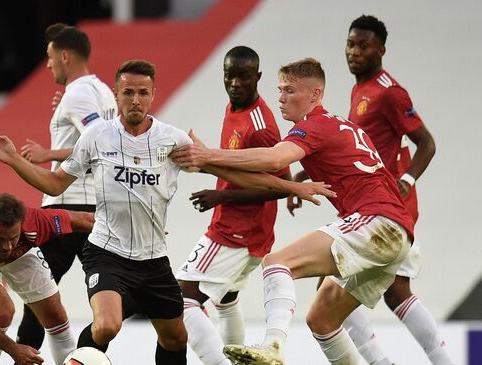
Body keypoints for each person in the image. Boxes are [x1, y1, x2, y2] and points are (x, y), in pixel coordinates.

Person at [0, 59, 333, 364]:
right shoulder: (96, 136)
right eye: (128, 92)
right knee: (107, 325)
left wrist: (293, 187)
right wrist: (14, 158)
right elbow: (55, 184)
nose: (135, 100)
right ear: (117, 95)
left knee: (176, 338)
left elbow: (229, 173)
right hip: (107, 253)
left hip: (153, 260)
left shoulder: (172, 140)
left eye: (142, 92)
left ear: (152, 95)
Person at [171, 57, 415, 365]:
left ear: (315, 95)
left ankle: (273, 344)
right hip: (396, 233)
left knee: (276, 263)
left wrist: (209, 153)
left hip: (374, 221)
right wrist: (207, 163)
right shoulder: (340, 125)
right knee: (322, 320)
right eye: (279, 90)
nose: (281, 98)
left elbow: (274, 160)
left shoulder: (314, 126)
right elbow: (276, 176)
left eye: (290, 91)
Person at [288, 15, 453, 365]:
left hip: (389, 207)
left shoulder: (388, 92)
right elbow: (357, 151)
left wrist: (406, 181)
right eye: (351, 44)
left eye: (364, 45)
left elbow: (426, 143)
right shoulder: (360, 88)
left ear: (381, 49)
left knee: (377, 292)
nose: (355, 51)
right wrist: (303, 173)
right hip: (371, 207)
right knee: (372, 292)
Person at [176, 46, 291, 365]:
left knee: (182, 299)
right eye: (229, 76)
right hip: (248, 232)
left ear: (258, 77)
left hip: (236, 231)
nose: (235, 83)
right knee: (226, 298)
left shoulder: (261, 124)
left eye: (243, 77)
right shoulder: (234, 107)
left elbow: (279, 184)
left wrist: (221, 196)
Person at [14, 23, 118, 354]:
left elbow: (101, 141)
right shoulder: (103, 91)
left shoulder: (78, 94)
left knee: (37, 296)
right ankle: (89, 359)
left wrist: (48, 154)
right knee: (106, 299)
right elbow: (104, 137)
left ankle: (24, 357)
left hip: (65, 205)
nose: (47, 65)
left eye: (49, 57)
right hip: (97, 208)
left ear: (65, 55)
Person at [0, 193, 95, 365]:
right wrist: (13, 349)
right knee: (1, 313)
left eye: (12, 237)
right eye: (0, 238)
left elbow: (87, 220)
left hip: (20, 253)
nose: (7, 246)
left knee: (55, 316)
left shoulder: (35, 221)